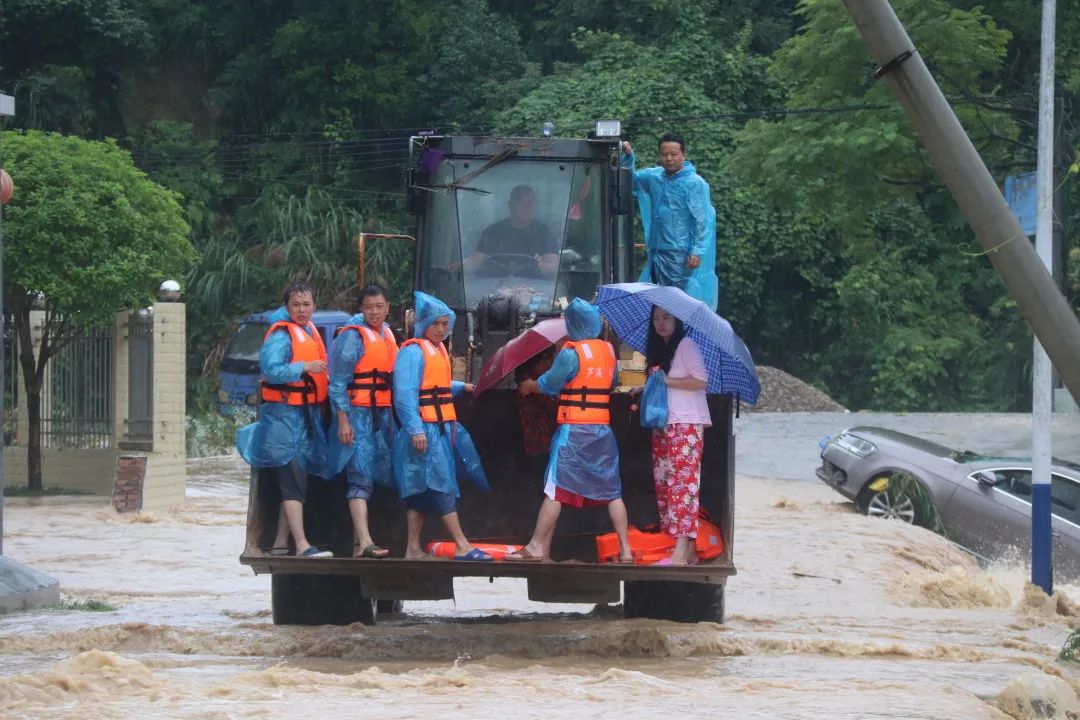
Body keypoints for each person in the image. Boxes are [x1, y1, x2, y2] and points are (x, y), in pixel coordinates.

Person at [505, 299, 633, 563]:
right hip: (602, 432)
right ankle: (626, 551)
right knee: (612, 491)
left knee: (555, 489)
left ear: (573, 324)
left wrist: (531, 385)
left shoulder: (570, 352)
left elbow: (551, 383)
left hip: (574, 432)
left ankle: (535, 548)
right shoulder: (609, 351)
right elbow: (613, 381)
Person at [392, 291, 493, 561]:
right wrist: (415, 430)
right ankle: (461, 544)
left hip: (440, 428)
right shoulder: (413, 352)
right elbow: (404, 396)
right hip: (425, 431)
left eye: (444, 324)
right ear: (424, 323)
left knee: (421, 491)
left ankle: (412, 548)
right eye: (435, 324)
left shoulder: (437, 350)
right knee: (443, 485)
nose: (440, 329)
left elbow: (435, 387)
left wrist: (462, 387)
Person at [236, 282, 332, 558]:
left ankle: (281, 542)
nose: (302, 310)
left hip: (303, 418)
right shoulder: (281, 334)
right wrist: (304, 366)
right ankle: (301, 545)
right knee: (292, 481)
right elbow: (272, 369)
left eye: (307, 304)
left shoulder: (309, 331)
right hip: (283, 419)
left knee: (295, 480)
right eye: (296, 305)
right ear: (287, 307)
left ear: (314, 305)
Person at [325, 283, 397, 559]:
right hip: (357, 415)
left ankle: (359, 544)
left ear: (388, 307)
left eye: (379, 306)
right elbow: (337, 384)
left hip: (380, 415)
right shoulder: (353, 338)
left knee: (374, 473)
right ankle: (365, 541)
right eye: (369, 307)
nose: (375, 312)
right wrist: (343, 421)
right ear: (361, 309)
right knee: (360, 474)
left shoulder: (388, 335)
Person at [621, 133, 718, 310]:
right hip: (657, 252)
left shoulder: (695, 183)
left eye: (674, 154)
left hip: (680, 255)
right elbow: (628, 181)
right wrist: (628, 156)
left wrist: (697, 251)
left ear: (684, 155)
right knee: (658, 304)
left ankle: (678, 336)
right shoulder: (654, 177)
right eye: (665, 154)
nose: (669, 159)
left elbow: (702, 220)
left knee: (678, 303)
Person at [646, 307, 710, 566]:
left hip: (686, 424)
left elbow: (701, 381)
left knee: (682, 487)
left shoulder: (686, 344)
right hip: (664, 424)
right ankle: (682, 549)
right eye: (656, 318)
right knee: (664, 486)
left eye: (667, 318)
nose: (661, 323)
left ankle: (680, 553)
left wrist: (667, 381)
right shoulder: (661, 350)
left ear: (677, 320)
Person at [456, 185, 559, 277]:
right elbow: (474, 262)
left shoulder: (544, 233)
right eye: (524, 203)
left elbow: (554, 266)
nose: (529, 208)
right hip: (493, 292)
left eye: (531, 204)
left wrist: (544, 266)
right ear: (511, 205)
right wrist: (457, 266)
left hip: (536, 292)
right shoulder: (492, 232)